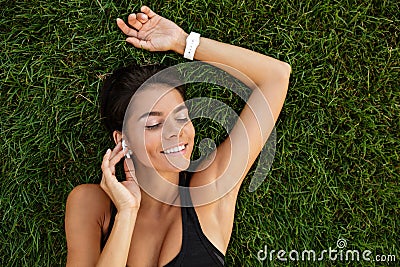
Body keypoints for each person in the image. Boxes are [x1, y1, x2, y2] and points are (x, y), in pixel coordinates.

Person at [65, 5, 291, 267]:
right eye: (153, 124)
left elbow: (275, 77)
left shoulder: (210, 192)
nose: (176, 132)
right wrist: (127, 213)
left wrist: (184, 42)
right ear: (122, 140)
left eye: (182, 117)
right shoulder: (92, 204)